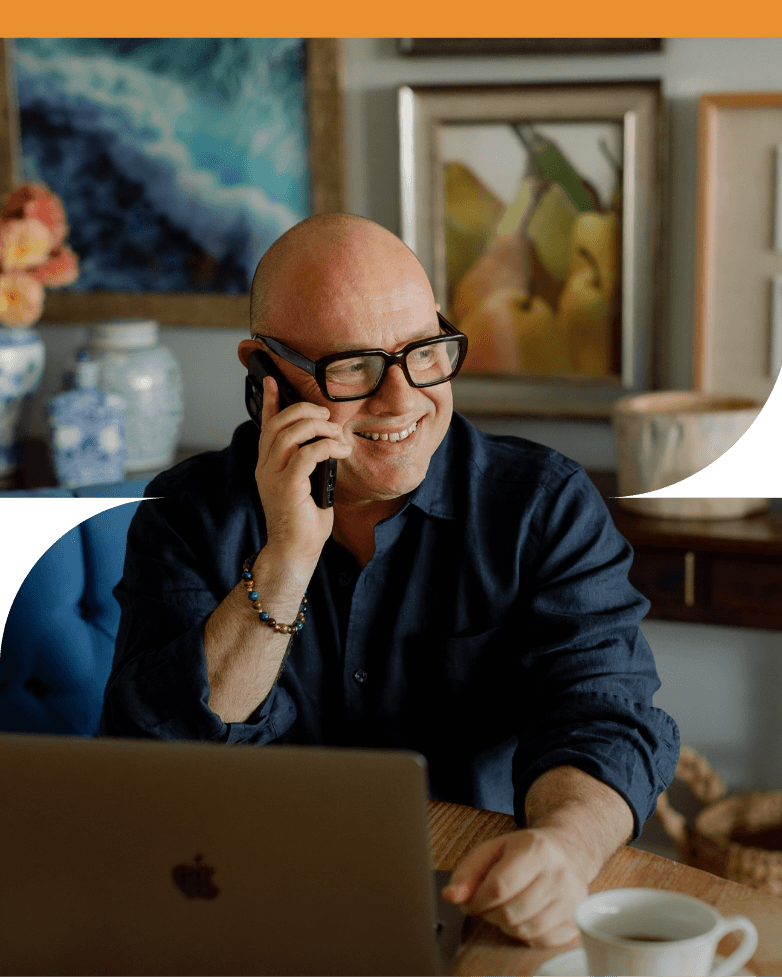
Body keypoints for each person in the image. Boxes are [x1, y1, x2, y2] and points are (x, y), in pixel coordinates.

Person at [100, 212, 679, 948]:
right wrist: (283, 563)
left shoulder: (542, 504)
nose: (403, 401)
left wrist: (564, 843)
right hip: (242, 909)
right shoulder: (186, 513)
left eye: (424, 352)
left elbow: (605, 711)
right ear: (265, 371)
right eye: (354, 366)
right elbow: (153, 770)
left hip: (479, 907)